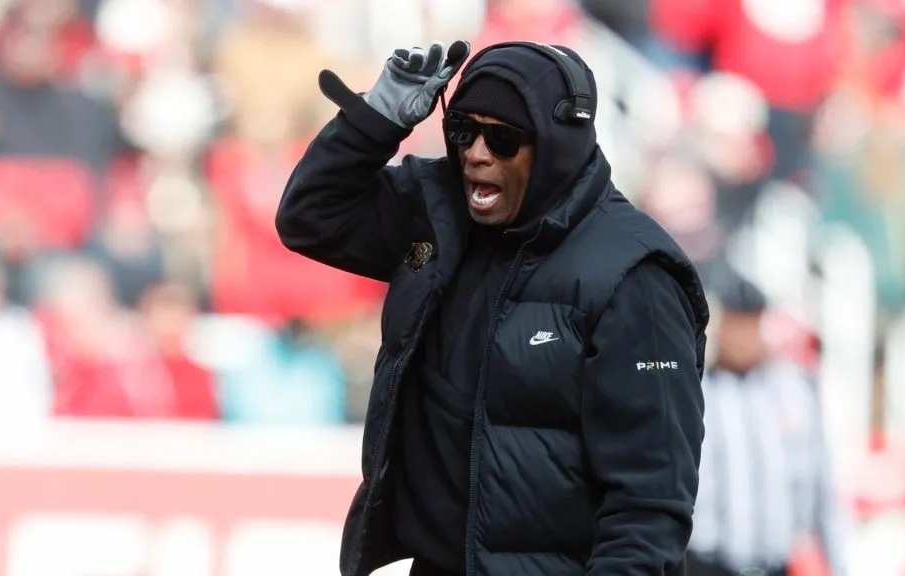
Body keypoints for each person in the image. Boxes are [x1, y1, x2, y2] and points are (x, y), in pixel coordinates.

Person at [275, 39, 710, 576]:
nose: (477, 153)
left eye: (503, 138)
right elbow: (309, 217)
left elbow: (650, 503)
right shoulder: (438, 210)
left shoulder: (636, 277)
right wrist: (377, 119)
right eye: (463, 131)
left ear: (557, 144)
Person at [687, 264, 848, 576]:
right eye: (736, 326)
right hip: (707, 565)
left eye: (752, 325)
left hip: (773, 565)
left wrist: (838, 565)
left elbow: (822, 487)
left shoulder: (791, 389)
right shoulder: (697, 391)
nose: (745, 339)